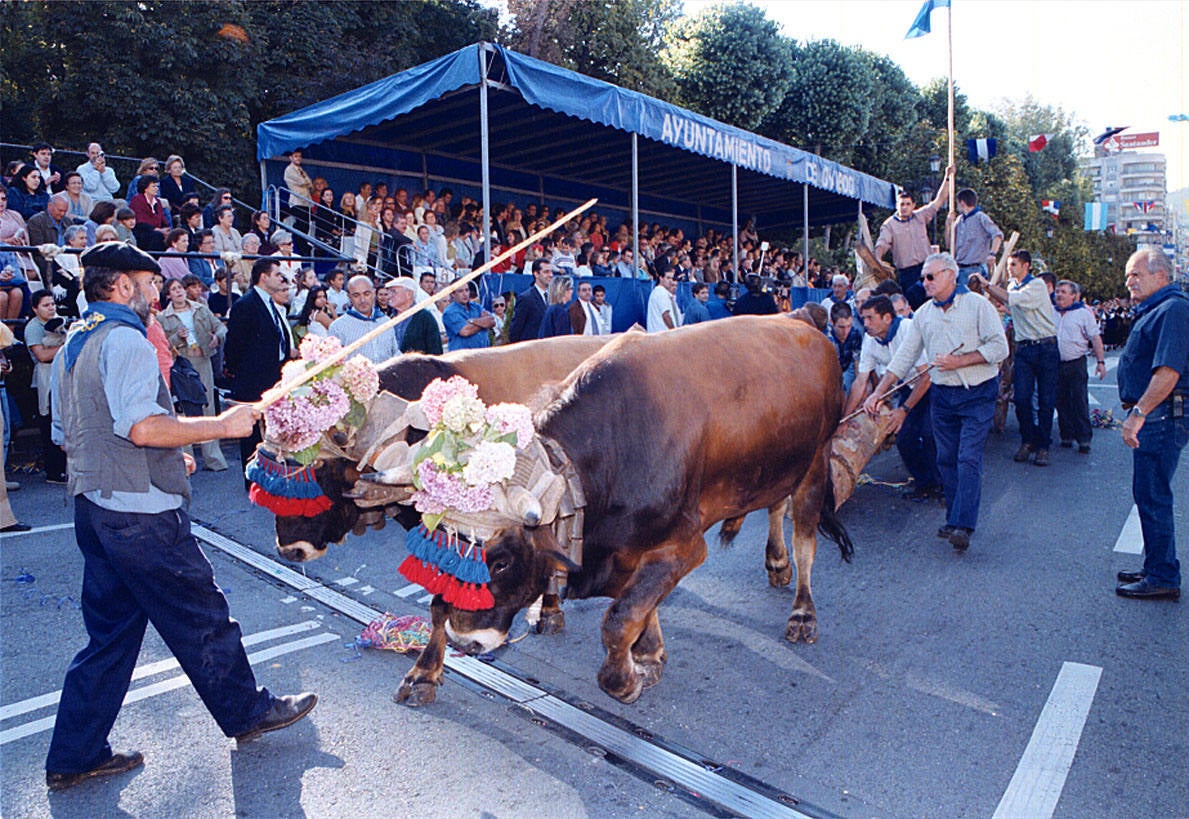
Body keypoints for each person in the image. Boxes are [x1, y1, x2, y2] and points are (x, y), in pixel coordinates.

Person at [44, 242, 315, 791]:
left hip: (94, 507)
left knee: (111, 636)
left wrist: (171, 448)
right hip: (141, 517)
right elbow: (141, 428)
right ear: (122, 286)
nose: (155, 292)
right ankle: (247, 713)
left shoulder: (76, 338)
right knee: (202, 615)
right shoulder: (127, 339)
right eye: (148, 282)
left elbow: (71, 432)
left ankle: (73, 755)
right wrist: (222, 425)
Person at [865, 252, 1008, 552]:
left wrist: (961, 361)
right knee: (946, 458)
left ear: (951, 276)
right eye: (923, 278)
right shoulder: (924, 314)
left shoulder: (978, 305)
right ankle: (954, 517)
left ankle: (964, 525)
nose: (925, 282)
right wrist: (879, 392)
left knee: (968, 457)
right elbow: (904, 356)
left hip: (977, 392)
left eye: (931, 276)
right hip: (943, 396)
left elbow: (1000, 347)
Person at [1114, 249, 1187, 601]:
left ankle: (1162, 575)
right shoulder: (1158, 309)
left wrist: (1139, 414)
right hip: (1157, 414)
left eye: (1136, 274)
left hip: (1159, 415)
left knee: (1153, 494)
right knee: (1148, 493)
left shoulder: (1173, 309)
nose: (1129, 282)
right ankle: (1156, 564)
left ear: (1161, 275)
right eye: (1128, 276)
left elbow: (1168, 372)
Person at [844, 295, 941, 501]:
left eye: (870, 318)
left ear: (887, 318)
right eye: (864, 318)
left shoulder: (908, 329)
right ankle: (924, 484)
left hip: (933, 387)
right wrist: (845, 418)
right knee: (905, 439)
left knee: (930, 434)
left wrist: (903, 411)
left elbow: (926, 378)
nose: (865, 324)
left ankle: (942, 485)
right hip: (908, 388)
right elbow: (860, 381)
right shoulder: (870, 339)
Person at [970, 250, 1058, 466]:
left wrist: (987, 285)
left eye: (1014, 265)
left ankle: (1043, 446)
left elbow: (1014, 299)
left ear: (1027, 266)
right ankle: (1028, 440)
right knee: (1021, 399)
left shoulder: (1036, 285)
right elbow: (1014, 305)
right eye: (1009, 264)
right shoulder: (1011, 286)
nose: (1010, 269)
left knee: (1046, 400)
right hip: (1025, 349)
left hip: (1046, 347)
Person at [224, 258, 294, 479]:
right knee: (252, 433)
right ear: (264, 277)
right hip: (253, 382)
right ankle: (252, 477)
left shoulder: (271, 304)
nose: (282, 280)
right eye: (277, 275)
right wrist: (240, 373)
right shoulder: (245, 305)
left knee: (270, 432)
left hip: (273, 379)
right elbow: (234, 345)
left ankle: (269, 473)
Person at [158, 277, 229, 471]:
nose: (179, 291)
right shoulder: (163, 317)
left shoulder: (200, 308)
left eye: (180, 287)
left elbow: (221, 327)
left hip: (203, 359)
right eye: (174, 289)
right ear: (168, 295)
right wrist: (176, 337)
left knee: (208, 405)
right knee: (185, 407)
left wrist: (216, 337)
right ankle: (186, 460)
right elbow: (162, 345)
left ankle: (214, 458)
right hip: (182, 364)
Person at [874, 166, 954, 308]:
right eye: (901, 204)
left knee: (935, 303)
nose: (904, 207)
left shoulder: (920, 216)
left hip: (927, 268)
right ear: (897, 206)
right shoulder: (889, 225)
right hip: (907, 273)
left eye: (907, 204)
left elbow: (939, 200)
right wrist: (878, 258)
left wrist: (947, 177)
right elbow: (882, 243)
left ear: (913, 205)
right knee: (913, 306)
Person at [1054, 279, 1106, 453]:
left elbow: (1095, 338)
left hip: (1076, 363)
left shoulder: (1083, 313)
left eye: (1063, 292)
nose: (1059, 295)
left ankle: (1084, 438)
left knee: (1079, 400)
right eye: (1058, 291)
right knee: (1060, 401)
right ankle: (1066, 435)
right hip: (1055, 364)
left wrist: (1100, 362)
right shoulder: (1051, 312)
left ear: (1074, 296)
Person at [24, 290, 68, 483]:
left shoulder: (60, 321)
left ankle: (64, 469)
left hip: (61, 377)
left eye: (52, 304)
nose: (51, 308)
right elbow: (42, 355)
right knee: (49, 423)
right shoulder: (33, 328)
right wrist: (67, 344)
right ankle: (54, 471)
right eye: (45, 305)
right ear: (35, 308)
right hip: (44, 379)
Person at [328, 275, 399, 363]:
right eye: (356, 295)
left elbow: (395, 352)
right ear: (349, 297)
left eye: (367, 294)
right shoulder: (338, 327)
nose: (362, 300)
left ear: (374, 293)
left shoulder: (386, 321)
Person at [946, 188, 1002, 286]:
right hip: (959, 268)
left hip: (975, 268)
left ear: (962, 203)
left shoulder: (980, 217)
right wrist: (948, 226)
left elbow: (997, 235)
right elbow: (949, 244)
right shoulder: (959, 220)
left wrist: (992, 254)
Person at [390, 276, 442, 354]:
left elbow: (435, 351)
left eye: (394, 291)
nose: (390, 295)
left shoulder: (425, 318)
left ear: (409, 294)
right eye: (389, 291)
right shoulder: (389, 318)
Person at [508, 258, 553, 343]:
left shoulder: (552, 297)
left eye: (551, 272)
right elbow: (516, 329)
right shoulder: (526, 298)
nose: (550, 275)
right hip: (530, 350)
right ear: (536, 274)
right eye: (546, 272)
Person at [444, 277, 496, 349]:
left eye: (467, 290)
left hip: (483, 354)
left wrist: (473, 321)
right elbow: (465, 331)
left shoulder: (476, 306)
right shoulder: (450, 312)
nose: (465, 294)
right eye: (460, 291)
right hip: (463, 356)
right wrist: (484, 323)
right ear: (453, 294)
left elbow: (491, 321)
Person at [827, 302, 864, 394]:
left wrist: (860, 387)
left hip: (847, 368)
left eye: (849, 326)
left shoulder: (855, 333)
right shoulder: (826, 338)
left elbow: (857, 362)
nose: (846, 332)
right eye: (841, 327)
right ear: (832, 322)